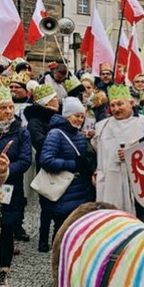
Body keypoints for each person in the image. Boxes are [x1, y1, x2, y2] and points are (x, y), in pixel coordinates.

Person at [92, 84, 144, 219]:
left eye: (120, 104)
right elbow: (93, 153)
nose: (116, 109)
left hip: (141, 188)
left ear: (131, 103)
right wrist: (94, 170)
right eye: (112, 105)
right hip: (111, 185)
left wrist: (133, 154)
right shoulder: (102, 127)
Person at [38, 97, 95, 248]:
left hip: (81, 190)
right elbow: (46, 160)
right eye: (76, 116)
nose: (80, 120)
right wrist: (72, 164)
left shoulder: (79, 135)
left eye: (82, 117)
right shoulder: (56, 134)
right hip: (64, 191)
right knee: (62, 231)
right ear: (67, 115)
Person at [0, 86, 32, 287]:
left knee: (6, 227)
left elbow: (26, 160)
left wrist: (6, 169)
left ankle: (3, 275)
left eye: (11, 107)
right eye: (3, 108)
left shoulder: (20, 131)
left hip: (8, 187)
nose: (9, 111)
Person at [24, 83, 60, 248]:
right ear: (47, 103)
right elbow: (40, 142)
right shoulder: (35, 121)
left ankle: (57, 238)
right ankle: (43, 239)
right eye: (54, 99)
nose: (58, 101)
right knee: (46, 203)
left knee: (61, 202)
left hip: (60, 163)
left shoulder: (58, 117)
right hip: (45, 163)